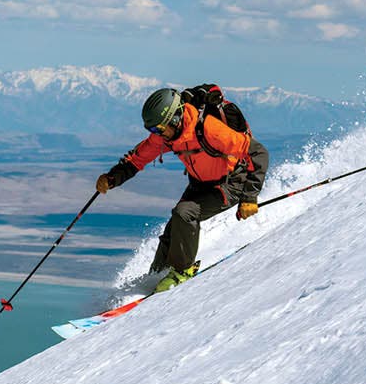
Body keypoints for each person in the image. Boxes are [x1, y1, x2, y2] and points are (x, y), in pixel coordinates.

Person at [97, 86, 268, 292]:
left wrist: (249, 196)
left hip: (231, 182)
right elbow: (138, 158)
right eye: (153, 130)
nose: (157, 135)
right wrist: (112, 178)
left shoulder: (209, 129)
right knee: (174, 230)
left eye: (158, 129)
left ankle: (182, 271)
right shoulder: (168, 134)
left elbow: (258, 153)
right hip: (201, 183)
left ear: (175, 119)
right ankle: (157, 275)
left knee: (184, 213)